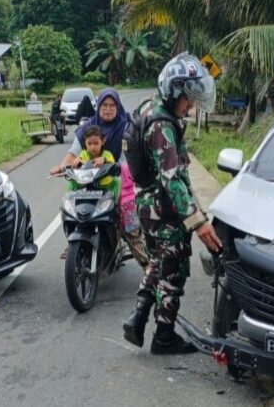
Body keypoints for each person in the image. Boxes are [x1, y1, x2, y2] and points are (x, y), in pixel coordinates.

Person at [122, 52, 223, 355]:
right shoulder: (162, 127)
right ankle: (164, 336)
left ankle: (138, 317)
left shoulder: (149, 108)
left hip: (147, 206)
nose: (190, 107)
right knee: (174, 271)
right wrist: (198, 221)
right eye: (188, 100)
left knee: (157, 262)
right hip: (165, 209)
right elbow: (171, 179)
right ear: (174, 92)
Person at [50, 88, 148, 267]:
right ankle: (74, 241)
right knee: (68, 207)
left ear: (118, 107)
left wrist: (124, 167)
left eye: (112, 105)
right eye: (104, 105)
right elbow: (73, 154)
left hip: (120, 182)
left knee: (129, 221)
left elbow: (134, 155)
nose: (108, 109)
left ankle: (148, 267)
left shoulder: (126, 127)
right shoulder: (87, 129)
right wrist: (61, 167)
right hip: (89, 184)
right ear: (98, 106)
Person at [68, 125, 120, 200]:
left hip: (104, 186)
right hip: (85, 185)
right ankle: (69, 205)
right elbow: (75, 165)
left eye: (96, 143)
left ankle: (115, 205)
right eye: (89, 143)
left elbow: (114, 166)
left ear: (103, 141)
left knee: (117, 181)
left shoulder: (107, 155)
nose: (92, 147)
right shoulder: (83, 154)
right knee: (71, 182)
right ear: (85, 142)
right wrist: (76, 162)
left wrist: (104, 160)